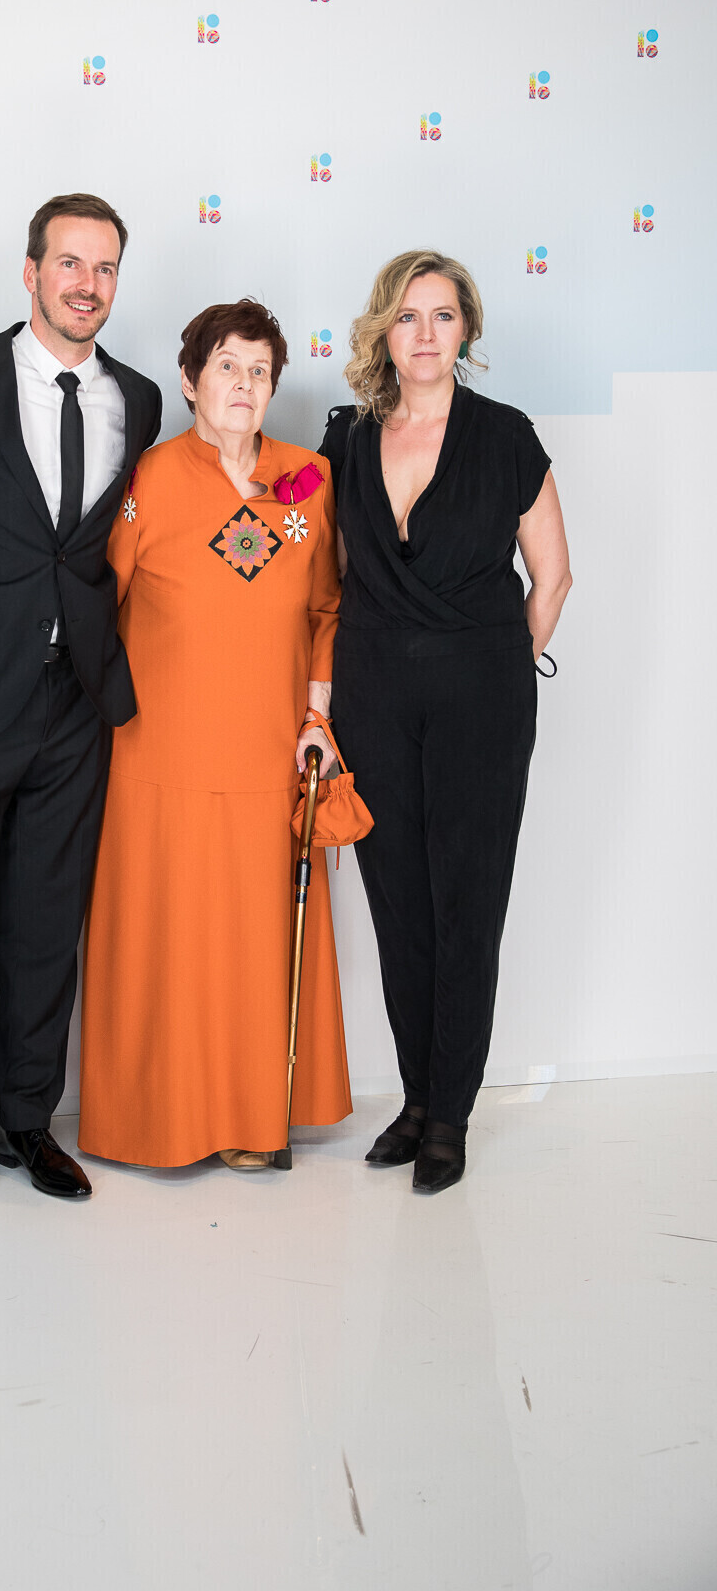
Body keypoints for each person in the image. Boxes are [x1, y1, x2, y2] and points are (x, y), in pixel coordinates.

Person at [0, 193, 162, 1199]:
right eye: (69, 264)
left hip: (76, 704)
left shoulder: (140, 399)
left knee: (47, 928)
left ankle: (26, 1123)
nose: (87, 286)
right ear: (30, 272)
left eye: (104, 268)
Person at [78, 299, 352, 1171]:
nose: (244, 384)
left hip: (270, 750)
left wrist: (316, 716)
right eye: (227, 366)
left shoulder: (309, 477)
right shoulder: (149, 478)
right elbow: (99, 607)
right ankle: (160, 1121)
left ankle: (250, 1119)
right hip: (159, 755)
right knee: (171, 940)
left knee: (251, 942)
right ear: (191, 380)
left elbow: (326, 609)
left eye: (260, 371)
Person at [321, 251, 571, 1194]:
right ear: (383, 329)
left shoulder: (505, 436)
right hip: (372, 696)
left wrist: (500, 665)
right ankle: (417, 1098)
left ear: (466, 330)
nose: (425, 334)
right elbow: (331, 574)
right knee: (399, 907)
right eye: (408, 316)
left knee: (467, 905)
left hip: (481, 700)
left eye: (443, 316)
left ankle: (451, 1116)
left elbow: (554, 577)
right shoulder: (345, 438)